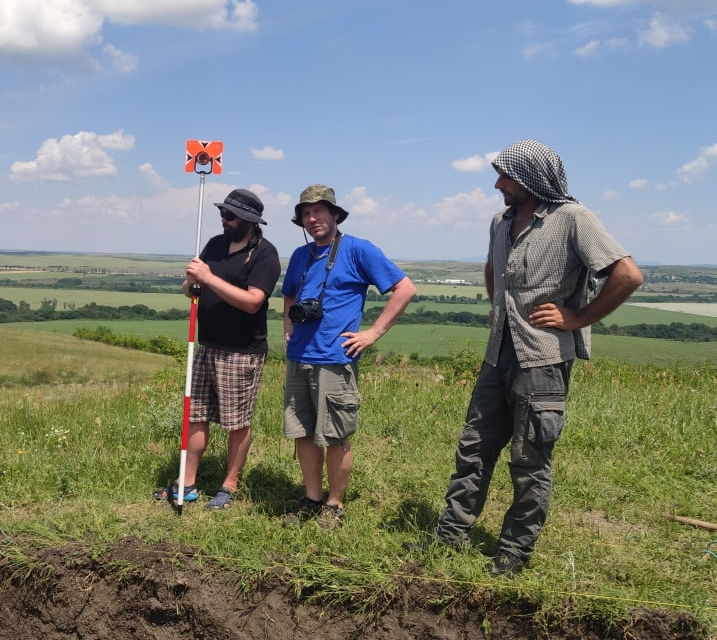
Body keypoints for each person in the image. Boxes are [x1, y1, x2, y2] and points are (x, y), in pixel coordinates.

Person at [430, 140, 643, 575]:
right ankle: (449, 536)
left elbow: (627, 274)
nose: (497, 184)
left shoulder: (572, 219)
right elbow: (494, 269)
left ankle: (513, 552)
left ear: (530, 178)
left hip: (542, 358)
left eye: (505, 176)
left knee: (529, 459)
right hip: (498, 353)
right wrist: (499, 309)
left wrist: (578, 317)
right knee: (473, 448)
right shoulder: (500, 221)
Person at [282, 184, 417, 528]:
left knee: (335, 435)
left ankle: (334, 506)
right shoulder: (301, 255)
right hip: (300, 356)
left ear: (335, 214)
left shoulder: (359, 250)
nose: (312, 218)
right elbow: (289, 296)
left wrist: (372, 333)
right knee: (303, 433)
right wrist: (288, 327)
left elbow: (405, 288)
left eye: (319, 211)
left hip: (335, 359)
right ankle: (311, 499)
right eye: (306, 213)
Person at [153, 188, 281, 509]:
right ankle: (189, 482)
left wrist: (208, 278)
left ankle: (230, 485)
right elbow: (191, 289)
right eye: (223, 213)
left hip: (241, 351)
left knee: (236, 421)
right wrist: (190, 284)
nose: (224, 220)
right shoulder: (215, 244)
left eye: (230, 216)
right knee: (195, 415)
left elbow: (253, 302)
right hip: (206, 345)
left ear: (249, 221)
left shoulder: (265, 254)